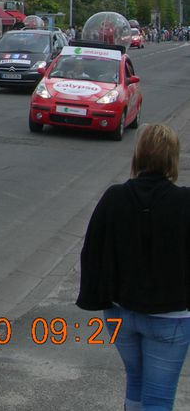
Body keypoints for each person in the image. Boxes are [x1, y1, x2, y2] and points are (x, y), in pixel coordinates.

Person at [77, 124, 190, 411]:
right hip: (170, 317)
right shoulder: (185, 202)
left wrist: (98, 296)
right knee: (159, 397)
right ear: (171, 159)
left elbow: (92, 251)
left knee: (136, 381)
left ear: (138, 156)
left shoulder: (114, 197)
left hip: (120, 313)